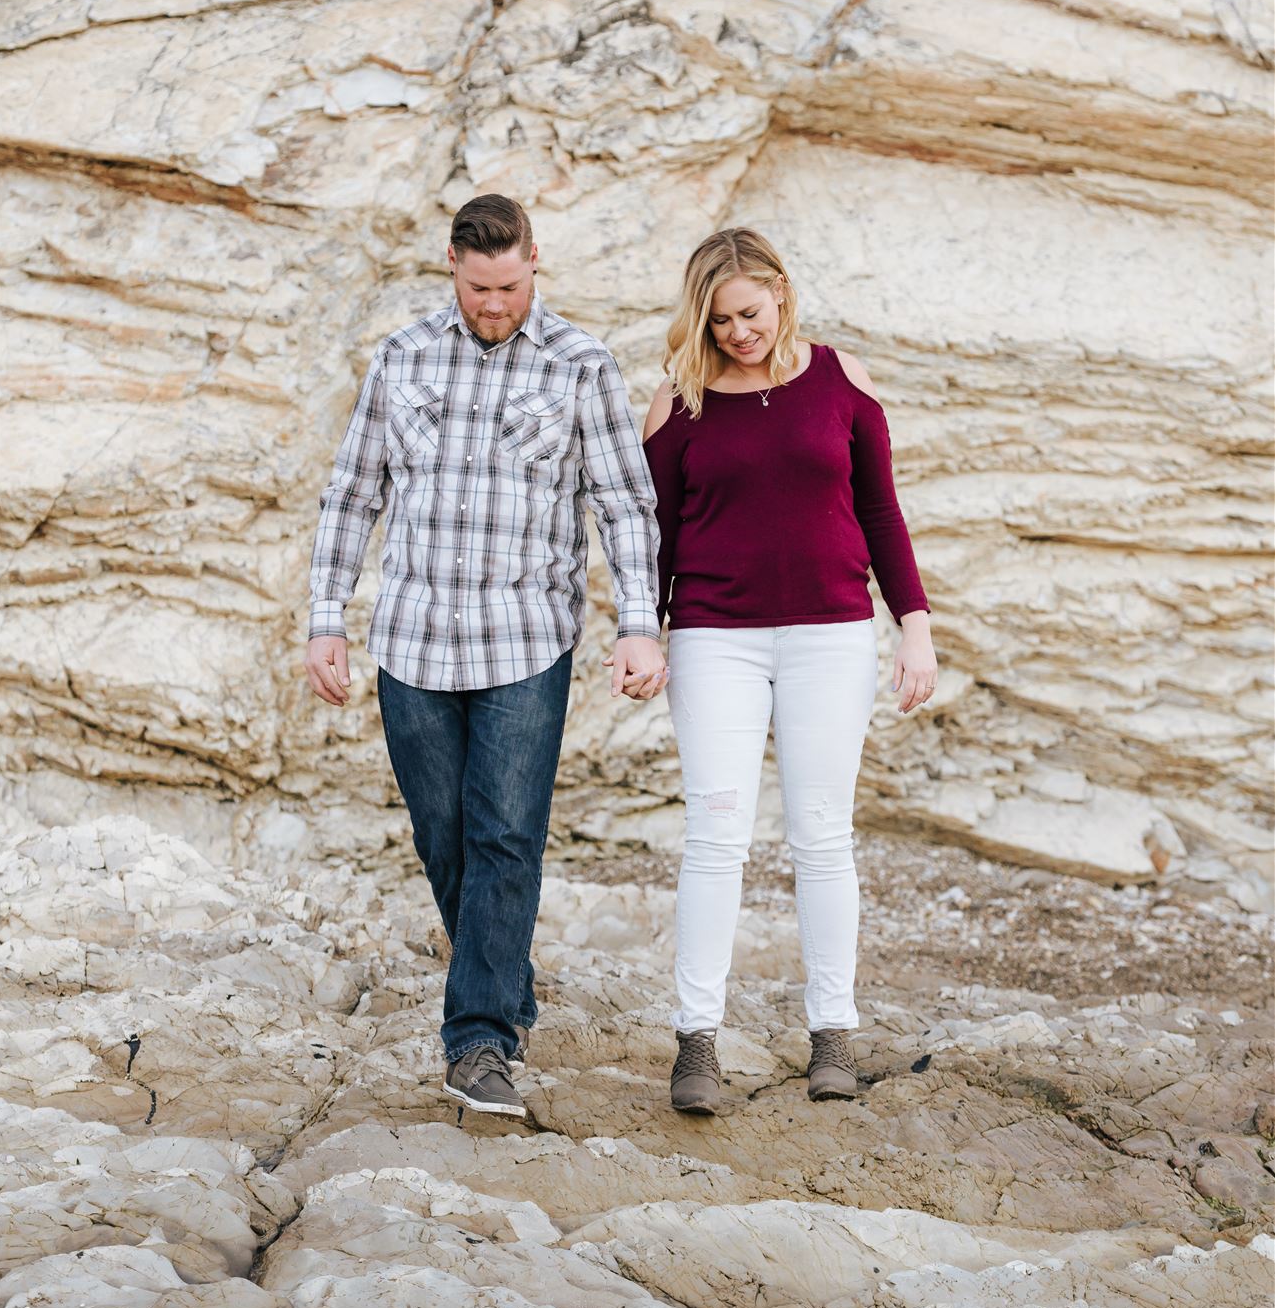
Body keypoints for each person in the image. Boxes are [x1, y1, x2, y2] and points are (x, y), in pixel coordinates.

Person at [305, 194, 667, 1120]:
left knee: (505, 836)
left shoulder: (580, 364)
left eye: (508, 286)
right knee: (446, 838)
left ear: (533, 262)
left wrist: (637, 620)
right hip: (413, 639)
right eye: (477, 288)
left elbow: (624, 503)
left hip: (524, 639)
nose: (493, 304)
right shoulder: (403, 355)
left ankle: (478, 1042)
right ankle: (503, 979)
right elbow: (353, 494)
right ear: (452, 269)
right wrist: (325, 618)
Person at [643, 227, 937, 1114]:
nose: (738, 332)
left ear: (779, 291)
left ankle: (832, 1035)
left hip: (830, 638)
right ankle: (695, 1043)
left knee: (820, 833)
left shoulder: (842, 382)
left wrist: (912, 627)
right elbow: (648, 537)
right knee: (716, 835)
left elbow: (880, 512)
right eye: (720, 318)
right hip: (713, 638)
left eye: (750, 311)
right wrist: (641, 631)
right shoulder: (677, 405)